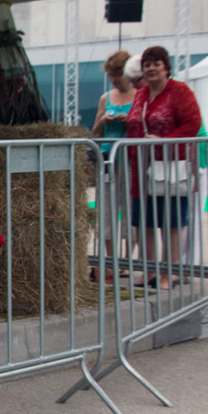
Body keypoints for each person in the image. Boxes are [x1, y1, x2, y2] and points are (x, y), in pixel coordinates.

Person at [124, 45, 202, 291]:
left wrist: (164, 141)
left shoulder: (179, 91)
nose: (151, 68)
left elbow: (193, 123)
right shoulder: (141, 94)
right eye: (147, 64)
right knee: (144, 222)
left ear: (166, 67)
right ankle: (148, 272)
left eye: (157, 63)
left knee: (171, 223)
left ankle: (170, 273)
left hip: (170, 166)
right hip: (141, 166)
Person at [90, 50, 137, 283]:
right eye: (111, 75)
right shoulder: (105, 97)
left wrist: (129, 121)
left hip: (131, 161)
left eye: (118, 74)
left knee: (130, 211)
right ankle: (110, 261)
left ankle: (129, 260)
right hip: (108, 160)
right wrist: (104, 120)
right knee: (106, 212)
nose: (115, 79)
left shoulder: (140, 95)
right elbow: (95, 132)